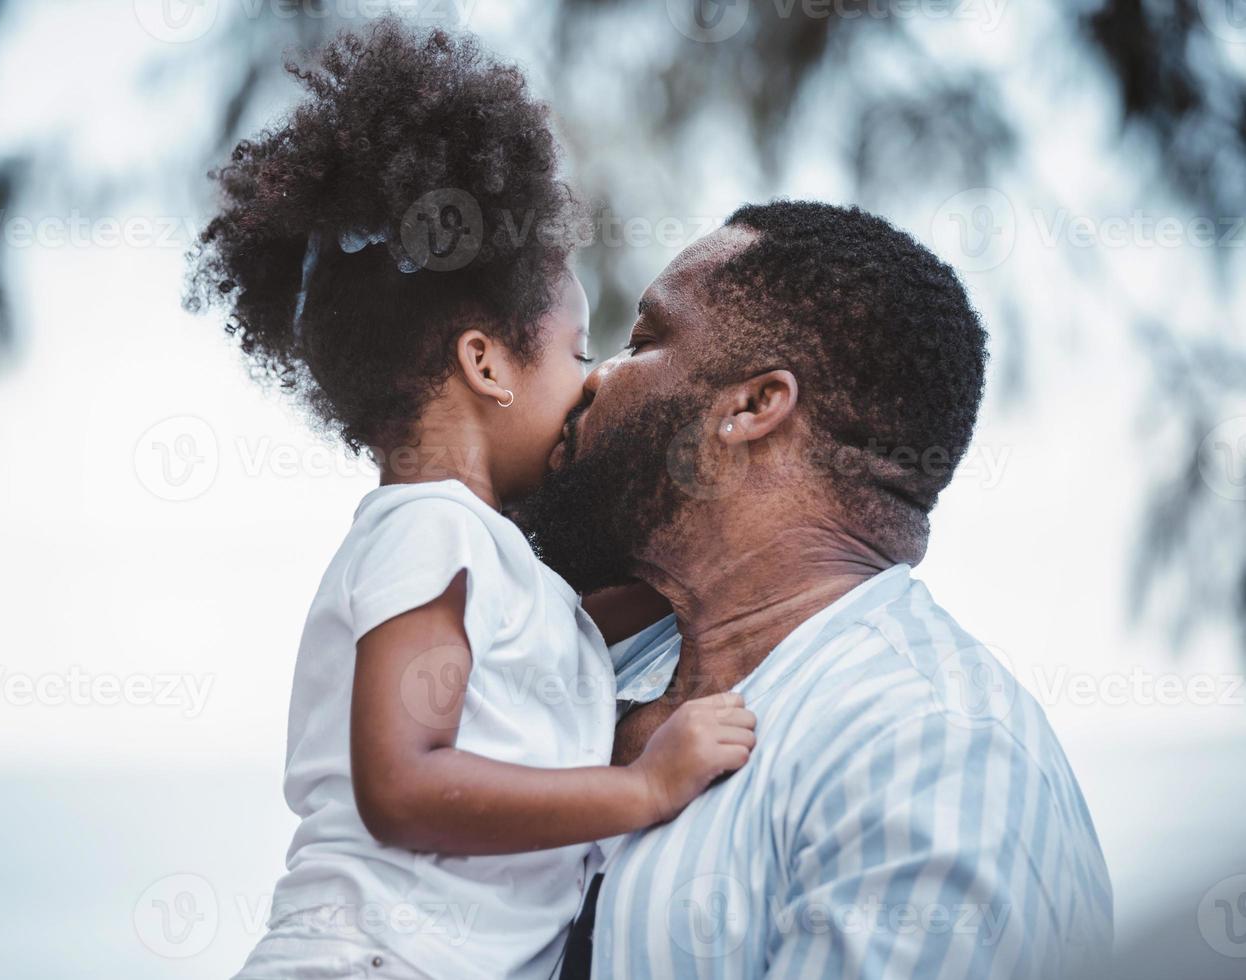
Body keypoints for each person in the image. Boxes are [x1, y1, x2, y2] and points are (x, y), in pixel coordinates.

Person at [188, 21, 756, 980]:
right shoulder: (430, 532)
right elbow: (404, 784)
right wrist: (642, 788)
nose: (593, 382)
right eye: (579, 352)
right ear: (485, 362)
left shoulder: (478, 559)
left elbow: (568, 631)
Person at [516, 201, 1115, 979]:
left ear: (755, 406)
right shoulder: (581, 682)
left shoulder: (928, 750)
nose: (595, 380)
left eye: (643, 342)